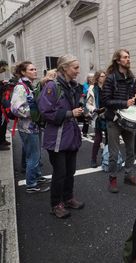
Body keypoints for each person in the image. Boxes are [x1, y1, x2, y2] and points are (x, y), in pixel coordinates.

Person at [38, 54, 85, 218]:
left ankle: (68, 198)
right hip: (57, 138)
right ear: (65, 68)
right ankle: (56, 204)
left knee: (70, 171)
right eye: (76, 68)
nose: (78, 71)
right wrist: (70, 113)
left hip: (71, 135)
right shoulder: (52, 86)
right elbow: (45, 112)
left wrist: (81, 112)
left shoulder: (72, 86)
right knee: (60, 173)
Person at [101, 49, 136, 193]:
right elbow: (105, 101)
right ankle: (112, 179)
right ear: (118, 61)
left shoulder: (131, 77)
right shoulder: (110, 78)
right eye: (125, 57)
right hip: (114, 119)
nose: (128, 59)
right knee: (113, 154)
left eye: (129, 57)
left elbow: (131, 97)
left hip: (128, 118)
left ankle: (128, 175)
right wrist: (125, 103)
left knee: (131, 151)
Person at [10, 61, 50, 193]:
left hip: (34, 126)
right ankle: (31, 185)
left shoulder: (29, 85)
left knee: (36, 155)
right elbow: (16, 108)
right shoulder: (21, 87)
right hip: (28, 127)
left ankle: (37, 177)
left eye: (35, 69)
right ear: (23, 72)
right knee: (33, 156)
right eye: (31, 69)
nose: (35, 71)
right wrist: (35, 112)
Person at [85, 70, 107, 168]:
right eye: (102, 76)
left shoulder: (108, 88)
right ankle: (93, 159)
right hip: (98, 116)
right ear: (97, 78)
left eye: (105, 76)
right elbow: (88, 104)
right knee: (98, 139)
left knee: (109, 139)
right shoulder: (92, 89)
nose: (104, 78)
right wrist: (95, 110)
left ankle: (106, 157)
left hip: (108, 115)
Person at [81, 73, 94, 137]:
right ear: (88, 78)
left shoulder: (95, 85)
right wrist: (88, 91)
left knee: (95, 117)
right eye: (90, 77)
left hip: (94, 103)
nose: (91, 78)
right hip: (87, 103)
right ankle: (84, 131)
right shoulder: (85, 85)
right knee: (86, 117)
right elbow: (83, 94)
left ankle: (97, 131)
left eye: (92, 77)